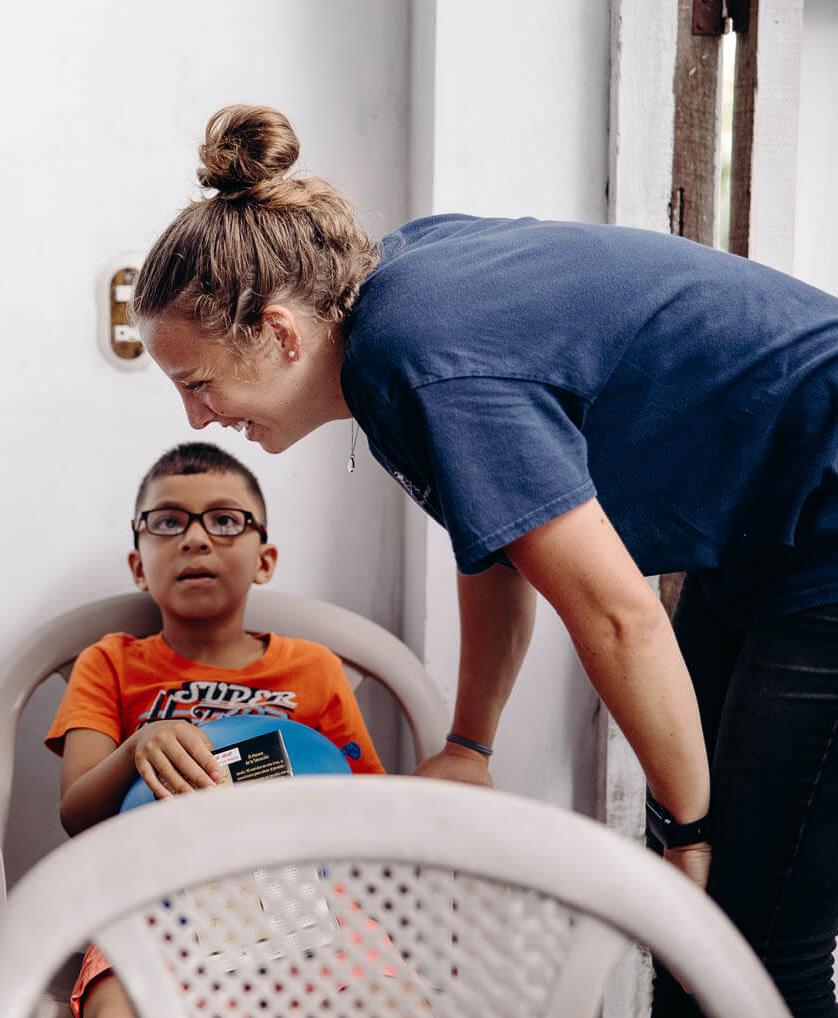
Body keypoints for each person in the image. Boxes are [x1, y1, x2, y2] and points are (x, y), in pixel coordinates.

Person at [127, 103, 838, 1017]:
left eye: (196, 383)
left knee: (752, 937)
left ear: (280, 332)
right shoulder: (387, 305)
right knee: (690, 926)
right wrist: (468, 740)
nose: (196, 417)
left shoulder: (418, 356)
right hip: (762, 535)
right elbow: (495, 538)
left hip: (820, 523)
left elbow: (618, 616)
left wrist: (687, 832)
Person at [45, 442, 385, 1018]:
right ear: (138, 567)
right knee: (119, 1006)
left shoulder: (313, 667)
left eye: (225, 520)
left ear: (265, 560)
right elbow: (77, 815)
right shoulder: (110, 663)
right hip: (150, 896)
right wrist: (138, 748)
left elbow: (370, 809)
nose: (196, 538)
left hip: (304, 897)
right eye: (168, 522)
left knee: (390, 996)